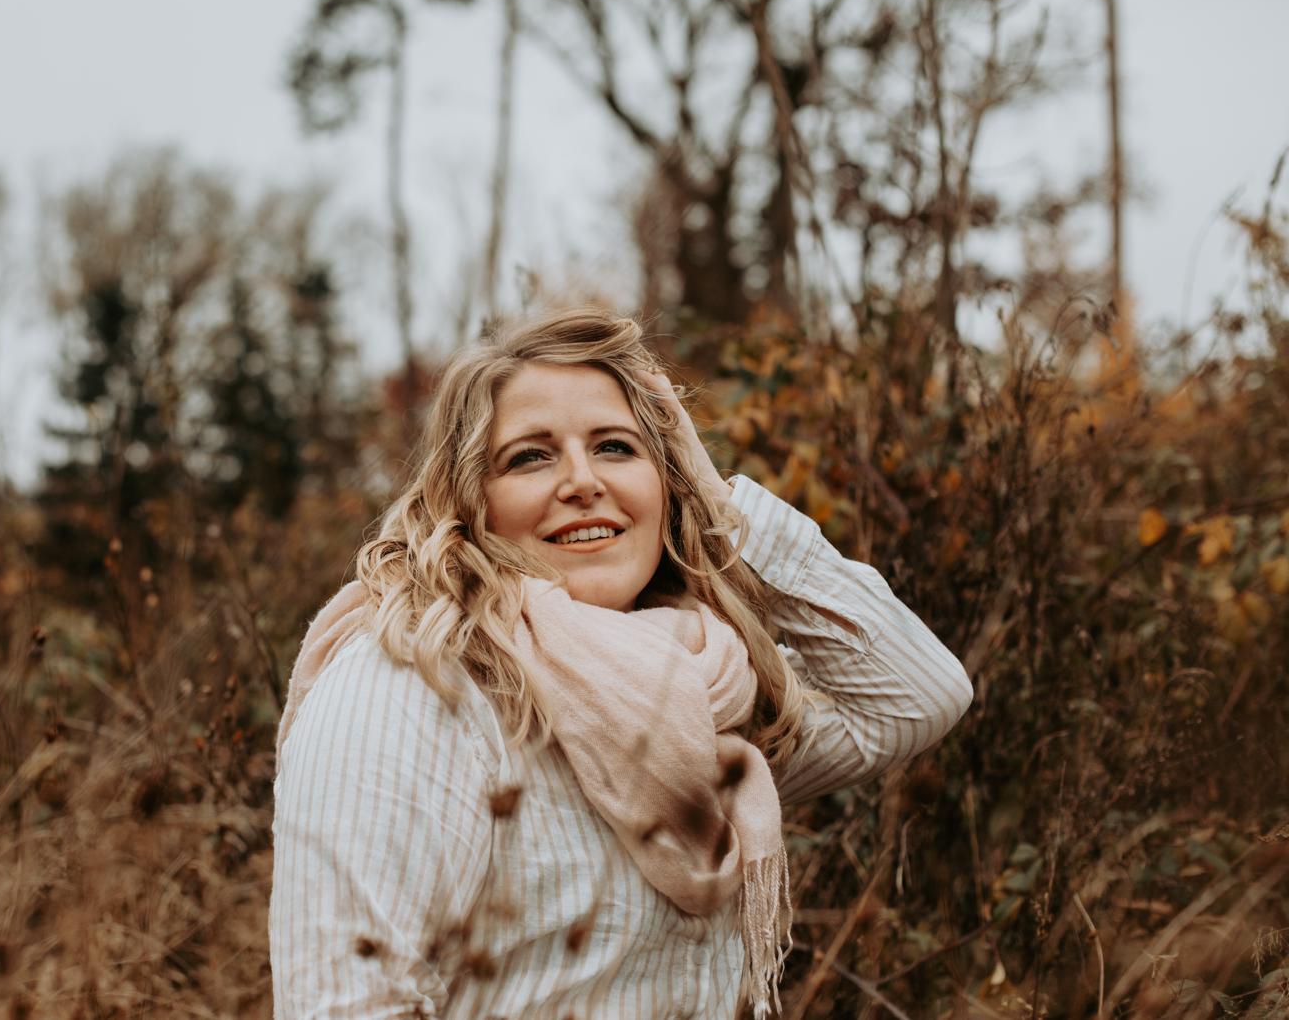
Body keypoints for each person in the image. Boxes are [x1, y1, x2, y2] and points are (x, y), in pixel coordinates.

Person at [269, 308, 972, 1019]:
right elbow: (344, 1004)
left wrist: (718, 502)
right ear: (470, 502)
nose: (582, 481)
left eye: (615, 447)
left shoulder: (701, 692)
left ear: (667, 484)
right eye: (530, 457)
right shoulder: (411, 681)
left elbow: (917, 695)